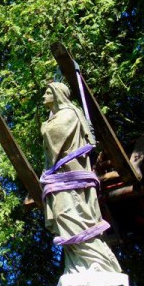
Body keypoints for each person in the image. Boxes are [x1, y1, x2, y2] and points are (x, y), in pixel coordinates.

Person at [40, 82, 122, 275]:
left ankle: (99, 263)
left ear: (58, 94)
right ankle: (78, 265)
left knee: (67, 214)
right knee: (65, 220)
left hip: (69, 178)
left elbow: (55, 137)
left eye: (47, 92)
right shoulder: (59, 115)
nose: (44, 96)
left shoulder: (68, 114)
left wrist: (44, 128)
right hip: (61, 178)